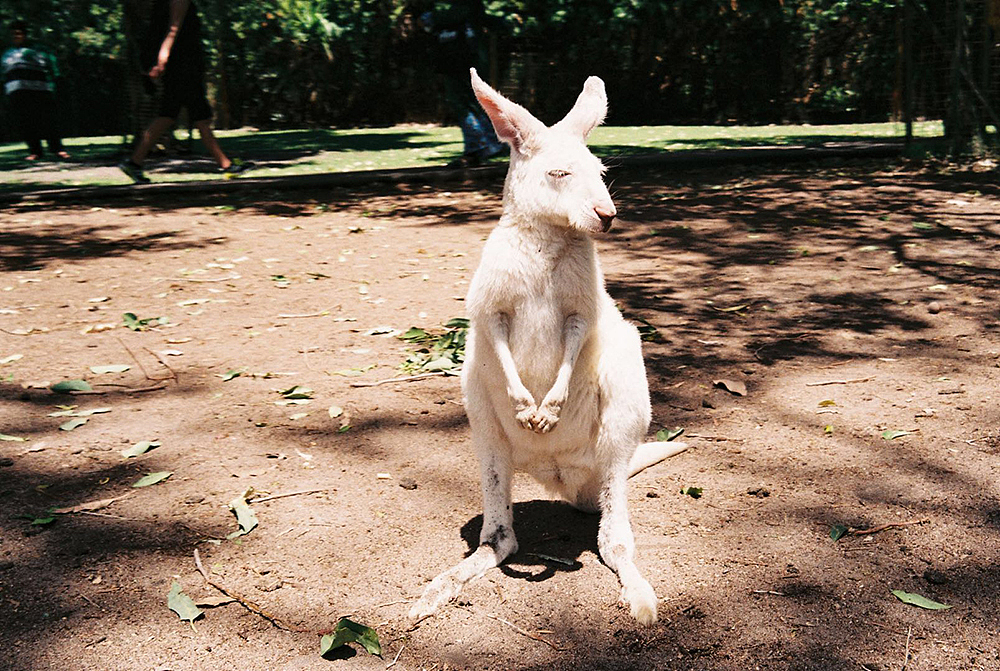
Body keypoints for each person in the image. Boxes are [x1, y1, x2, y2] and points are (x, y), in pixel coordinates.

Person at [119, 0, 252, 183]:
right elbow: (173, 28)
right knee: (196, 114)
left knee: (171, 113)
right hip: (183, 65)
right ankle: (227, 166)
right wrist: (163, 57)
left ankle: (134, 162)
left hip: (182, 63)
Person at [420, 5, 505, 168]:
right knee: (469, 102)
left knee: (465, 102)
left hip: (462, 55)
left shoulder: (453, 9)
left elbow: (452, 14)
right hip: (459, 55)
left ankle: (481, 145)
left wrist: (430, 18)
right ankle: (488, 143)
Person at [2, 20, 70, 161]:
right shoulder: (7, 54)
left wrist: (55, 83)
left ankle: (57, 149)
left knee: (49, 121)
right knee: (26, 122)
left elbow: (53, 68)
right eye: (13, 34)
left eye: (18, 33)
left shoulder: (40, 50)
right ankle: (35, 151)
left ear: (25, 34)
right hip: (18, 93)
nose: (16, 36)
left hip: (41, 91)